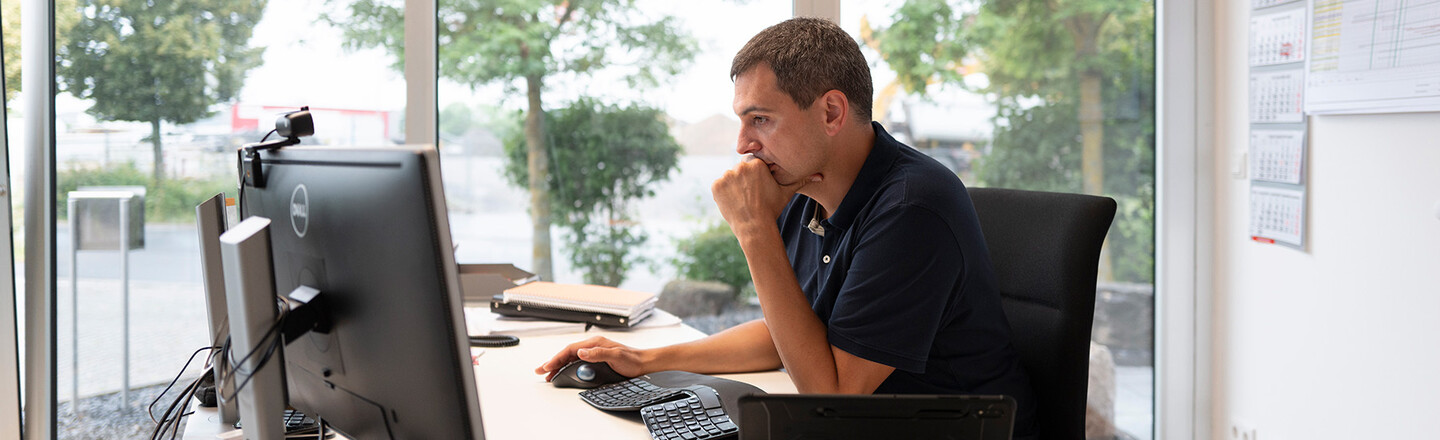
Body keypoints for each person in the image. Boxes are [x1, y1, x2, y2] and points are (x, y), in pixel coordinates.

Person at [536, 17, 1036, 436]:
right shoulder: (806, 189)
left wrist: (755, 231)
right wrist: (646, 360)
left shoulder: (912, 207)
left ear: (832, 112)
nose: (742, 144)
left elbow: (832, 399)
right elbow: (791, 333)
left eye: (761, 119)